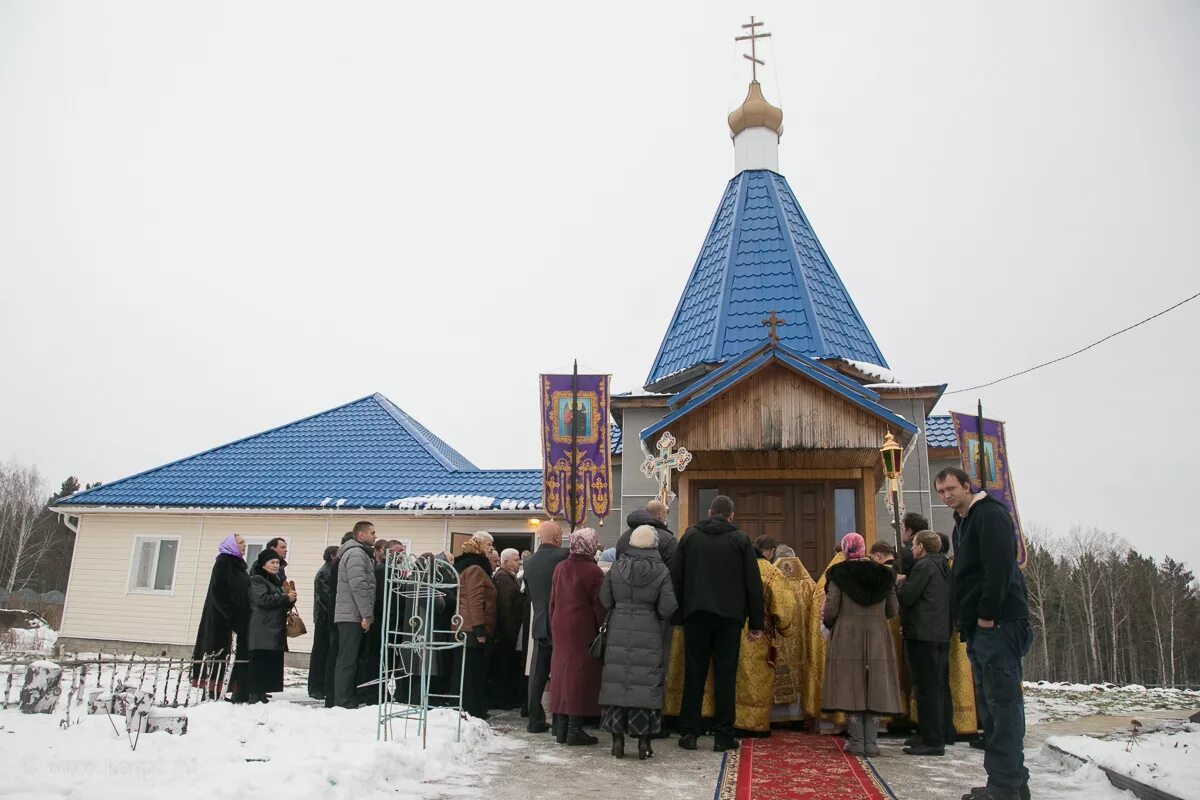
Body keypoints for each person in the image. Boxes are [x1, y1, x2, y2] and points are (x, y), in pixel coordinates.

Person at [937, 468, 1032, 800]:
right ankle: (1011, 783)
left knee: (1002, 705)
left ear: (966, 486)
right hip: (981, 629)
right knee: (991, 709)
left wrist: (987, 617)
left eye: (951, 488)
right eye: (941, 492)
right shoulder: (963, 522)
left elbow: (999, 568)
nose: (946, 495)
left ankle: (1005, 787)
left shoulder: (989, 515)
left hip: (1000, 625)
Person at [670, 495, 764, 752]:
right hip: (729, 618)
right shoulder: (741, 540)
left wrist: (678, 615)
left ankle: (689, 733)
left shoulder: (690, 536)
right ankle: (723, 736)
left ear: (710, 512)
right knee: (725, 676)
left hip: (696, 614)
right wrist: (756, 622)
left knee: (694, 674)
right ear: (731, 515)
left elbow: (675, 576)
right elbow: (753, 585)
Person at [599, 524, 678, 760]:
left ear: (632, 543)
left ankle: (617, 743)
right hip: (650, 632)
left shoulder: (616, 566)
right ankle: (644, 743)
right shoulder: (662, 571)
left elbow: (604, 598)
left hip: (618, 631)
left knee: (617, 684)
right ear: (654, 545)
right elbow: (667, 607)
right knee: (645, 686)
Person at [821, 532, 902, 756]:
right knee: (875, 684)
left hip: (847, 633)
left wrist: (830, 623)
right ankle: (871, 743)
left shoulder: (838, 574)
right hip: (877, 633)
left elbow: (831, 608)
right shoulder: (885, 574)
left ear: (846, 550)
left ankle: (856, 741)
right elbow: (893, 610)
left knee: (851, 684)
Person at [897, 530, 954, 756]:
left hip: (922, 634)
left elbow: (909, 596)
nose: (911, 549)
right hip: (940, 632)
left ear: (921, 547)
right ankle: (936, 733)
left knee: (927, 688)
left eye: (914, 545)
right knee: (938, 686)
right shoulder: (944, 565)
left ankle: (932, 741)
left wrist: (901, 583)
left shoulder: (923, 566)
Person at [548, 527, 606, 745]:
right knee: (578, 676)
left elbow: (552, 600)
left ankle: (561, 728)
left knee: (561, 674)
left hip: (560, 625)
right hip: (582, 628)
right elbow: (599, 606)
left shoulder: (560, 568)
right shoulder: (593, 572)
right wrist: (603, 628)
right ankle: (574, 728)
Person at [191, 534, 250, 701]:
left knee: (230, 656)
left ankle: (224, 690)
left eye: (244, 542)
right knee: (217, 655)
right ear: (232, 545)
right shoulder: (223, 562)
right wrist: (230, 616)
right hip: (220, 621)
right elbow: (219, 592)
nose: (244, 545)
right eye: (240, 542)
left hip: (234, 620)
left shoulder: (238, 565)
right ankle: (211, 692)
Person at [522, 520, 569, 734]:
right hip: (559, 621)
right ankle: (560, 720)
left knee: (537, 675)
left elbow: (530, 594)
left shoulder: (529, 562)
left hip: (540, 621)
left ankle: (534, 719)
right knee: (560, 672)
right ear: (558, 538)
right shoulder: (563, 555)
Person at [769, 544, 816, 726]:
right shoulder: (808, 582)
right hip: (800, 641)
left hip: (777, 637)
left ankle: (774, 717)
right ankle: (797, 717)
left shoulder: (772, 578)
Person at [333, 520, 377, 709]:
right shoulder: (357, 554)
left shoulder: (358, 554)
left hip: (351, 613)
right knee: (347, 660)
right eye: (372, 533)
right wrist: (366, 614)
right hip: (351, 615)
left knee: (350, 659)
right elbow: (359, 586)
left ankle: (348, 696)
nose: (375, 536)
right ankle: (343, 700)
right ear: (361, 535)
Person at [455, 532, 497, 718]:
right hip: (470, 628)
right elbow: (474, 599)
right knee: (470, 671)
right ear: (479, 545)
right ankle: (470, 708)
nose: (491, 549)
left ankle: (472, 707)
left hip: (467, 626)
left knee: (471, 670)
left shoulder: (472, 567)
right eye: (488, 545)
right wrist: (479, 628)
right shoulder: (475, 569)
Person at [246, 548, 297, 703]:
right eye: (272, 562)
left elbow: (280, 601)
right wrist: (284, 598)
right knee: (260, 661)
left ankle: (262, 692)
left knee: (269, 661)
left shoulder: (276, 581)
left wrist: (291, 599)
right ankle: (255, 694)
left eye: (277, 562)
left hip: (274, 628)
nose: (276, 565)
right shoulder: (258, 580)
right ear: (263, 564)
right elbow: (263, 599)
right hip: (262, 628)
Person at [489, 548, 524, 709]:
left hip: (510, 630)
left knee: (507, 666)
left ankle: (506, 697)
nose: (519, 563)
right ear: (506, 562)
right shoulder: (503, 577)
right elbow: (505, 606)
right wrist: (509, 631)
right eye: (516, 560)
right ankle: (500, 699)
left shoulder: (511, 577)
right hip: (505, 631)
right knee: (502, 667)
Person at [308, 544, 339, 700]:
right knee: (320, 652)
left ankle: (322, 685)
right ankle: (315, 686)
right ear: (333, 556)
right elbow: (326, 598)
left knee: (326, 652)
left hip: (327, 617)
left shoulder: (330, 571)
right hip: (323, 618)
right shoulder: (324, 573)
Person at [615, 500, 677, 565]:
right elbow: (674, 569)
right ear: (660, 515)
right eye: (665, 515)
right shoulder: (668, 540)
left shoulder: (623, 538)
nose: (665, 519)